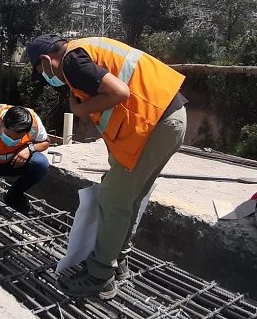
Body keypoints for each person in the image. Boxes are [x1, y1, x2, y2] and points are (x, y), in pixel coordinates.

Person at [26, 34, 187, 300]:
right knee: (129, 197)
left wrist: (81, 110)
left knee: (114, 200)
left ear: (45, 60)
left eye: (39, 71)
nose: (45, 78)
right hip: (167, 119)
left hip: (155, 124)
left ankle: (100, 277)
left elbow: (119, 92)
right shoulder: (85, 51)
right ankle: (119, 261)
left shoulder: (71, 62)